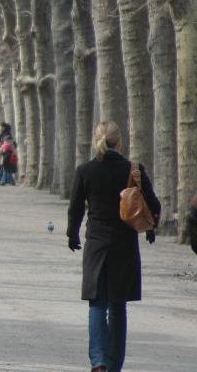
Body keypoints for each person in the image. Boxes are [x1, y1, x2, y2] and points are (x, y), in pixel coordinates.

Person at [67, 121, 160, 372]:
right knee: (118, 306)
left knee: (97, 304)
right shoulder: (134, 170)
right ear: (120, 141)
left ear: (95, 139)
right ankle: (114, 364)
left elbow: (76, 207)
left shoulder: (85, 170)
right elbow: (153, 204)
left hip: (96, 244)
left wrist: (72, 234)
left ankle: (98, 361)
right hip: (124, 246)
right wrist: (151, 228)